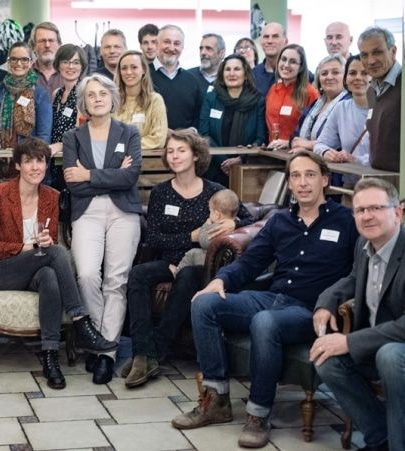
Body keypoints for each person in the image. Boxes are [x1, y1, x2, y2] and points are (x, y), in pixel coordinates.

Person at [171, 151, 358, 449]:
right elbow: (250, 263)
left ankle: (258, 415)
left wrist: (335, 303)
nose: (303, 183)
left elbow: (357, 274)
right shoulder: (280, 220)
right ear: (290, 183)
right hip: (272, 298)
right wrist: (220, 280)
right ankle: (216, 400)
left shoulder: (346, 221)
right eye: (296, 176)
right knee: (204, 304)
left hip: (311, 310)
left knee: (264, 322)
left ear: (324, 180)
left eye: (310, 175)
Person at [0, 138, 118, 389]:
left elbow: (49, 241)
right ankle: (80, 319)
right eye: (28, 161)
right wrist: (27, 247)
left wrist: (43, 242)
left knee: (49, 276)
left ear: (46, 165)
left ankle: (50, 355)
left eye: (40, 161)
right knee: (55, 253)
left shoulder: (51, 197)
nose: (35, 167)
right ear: (18, 165)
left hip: (35, 269)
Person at [124, 130, 255, 388]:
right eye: (170, 151)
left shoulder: (215, 191)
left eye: (181, 151)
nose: (175, 156)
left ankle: (155, 351)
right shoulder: (161, 192)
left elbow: (250, 218)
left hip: (200, 264)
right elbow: (154, 238)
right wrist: (191, 236)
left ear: (196, 155)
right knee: (138, 274)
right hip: (169, 261)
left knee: (186, 275)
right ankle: (142, 352)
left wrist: (234, 222)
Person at [312, 177, 405, 451]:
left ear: (398, 212)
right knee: (326, 359)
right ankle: (380, 439)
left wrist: (349, 341)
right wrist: (326, 302)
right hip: (376, 344)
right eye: (360, 210)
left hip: (396, 349)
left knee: (389, 356)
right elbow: (353, 279)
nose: (367, 216)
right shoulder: (364, 245)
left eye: (376, 208)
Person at [63, 74, 142, 384]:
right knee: (86, 275)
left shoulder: (129, 132)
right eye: (91, 95)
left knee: (115, 280)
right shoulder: (73, 137)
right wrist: (111, 175)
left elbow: (130, 177)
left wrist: (89, 175)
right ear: (84, 102)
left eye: (103, 93)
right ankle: (100, 340)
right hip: (88, 212)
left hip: (123, 212)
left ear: (112, 98)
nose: (97, 99)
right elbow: (73, 185)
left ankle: (105, 355)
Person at [198, 54, 265, 186]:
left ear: (246, 74)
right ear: (222, 74)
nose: (232, 73)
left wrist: (241, 159)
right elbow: (204, 134)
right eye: (227, 69)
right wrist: (224, 162)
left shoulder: (257, 101)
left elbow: (260, 138)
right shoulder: (211, 98)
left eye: (237, 69)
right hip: (213, 167)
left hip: (245, 169)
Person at [314, 56, 371, 178]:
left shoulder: (384, 109)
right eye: (352, 73)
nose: (358, 77)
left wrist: (356, 159)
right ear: (345, 80)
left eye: (364, 73)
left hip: (379, 183)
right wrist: (326, 152)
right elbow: (320, 144)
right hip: (349, 183)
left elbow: (390, 157)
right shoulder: (341, 108)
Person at [0, 42, 52, 152]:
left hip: (29, 156)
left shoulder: (40, 94)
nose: (18, 63)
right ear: (8, 62)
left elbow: (44, 136)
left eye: (24, 59)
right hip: (0, 156)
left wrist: (35, 158)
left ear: (31, 62)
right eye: (14, 59)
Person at [360, 26, 401, 172]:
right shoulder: (371, 91)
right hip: (378, 178)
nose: (371, 61)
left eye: (377, 52)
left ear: (393, 51)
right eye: (364, 55)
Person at [171, 189, 240, 276]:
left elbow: (204, 243)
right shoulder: (236, 223)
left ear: (217, 214)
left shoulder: (216, 228)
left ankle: (177, 272)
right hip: (226, 260)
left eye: (210, 211)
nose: (209, 214)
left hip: (212, 260)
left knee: (192, 253)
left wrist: (206, 225)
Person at [287, 54, 347, 154]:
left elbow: (341, 144)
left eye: (335, 72)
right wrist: (295, 142)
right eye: (324, 73)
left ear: (346, 77)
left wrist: (308, 146)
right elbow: (295, 137)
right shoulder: (315, 104)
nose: (329, 77)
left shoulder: (348, 105)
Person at [265, 44, 320, 149]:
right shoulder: (273, 89)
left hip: (296, 153)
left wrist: (288, 143)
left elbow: (316, 132)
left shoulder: (310, 93)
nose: (286, 65)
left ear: (301, 67)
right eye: (283, 59)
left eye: (293, 62)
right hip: (271, 151)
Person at [150, 25, 203, 130]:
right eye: (167, 42)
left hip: (183, 139)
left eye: (177, 43)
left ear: (182, 47)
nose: (171, 48)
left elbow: (197, 117)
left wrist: (190, 132)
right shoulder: (142, 75)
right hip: (151, 139)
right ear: (156, 44)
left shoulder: (192, 81)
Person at [113, 50, 167, 149]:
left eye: (134, 67)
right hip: (116, 158)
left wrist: (124, 145)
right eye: (124, 68)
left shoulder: (155, 100)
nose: (129, 72)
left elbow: (158, 139)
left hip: (146, 158)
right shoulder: (113, 102)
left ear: (144, 70)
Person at [49, 44, 86, 157]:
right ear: (58, 65)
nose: (70, 66)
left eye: (76, 62)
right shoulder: (56, 93)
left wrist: (61, 145)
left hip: (74, 156)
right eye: (65, 62)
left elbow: (81, 132)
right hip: (54, 155)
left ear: (82, 66)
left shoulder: (84, 93)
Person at [253, 22, 288, 96]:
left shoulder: (298, 74)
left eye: (275, 36)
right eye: (266, 37)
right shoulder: (252, 75)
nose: (270, 41)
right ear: (261, 42)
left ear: (286, 42)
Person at [29, 22, 63, 94]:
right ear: (33, 46)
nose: (47, 45)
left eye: (51, 40)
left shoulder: (70, 74)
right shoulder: (25, 76)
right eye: (42, 41)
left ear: (59, 45)